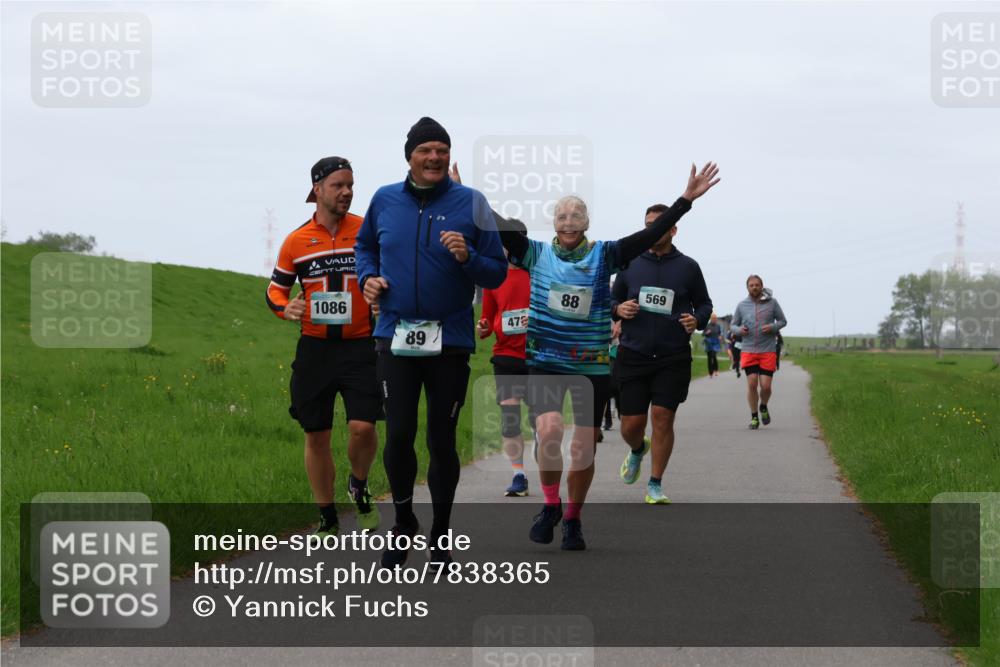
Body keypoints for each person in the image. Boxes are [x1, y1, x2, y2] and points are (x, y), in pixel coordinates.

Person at [498, 162, 720, 549]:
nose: (569, 222)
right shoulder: (533, 254)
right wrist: (462, 196)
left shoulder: (607, 255)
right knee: (549, 433)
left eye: (576, 216)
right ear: (553, 223)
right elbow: (496, 225)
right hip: (546, 362)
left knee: (583, 448)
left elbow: (650, 232)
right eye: (562, 216)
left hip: (590, 366)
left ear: (586, 223)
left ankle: (572, 519)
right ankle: (551, 505)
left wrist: (685, 200)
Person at [355, 117, 507, 568]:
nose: (435, 157)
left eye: (442, 149)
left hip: (451, 340)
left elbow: (496, 271)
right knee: (398, 433)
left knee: (441, 438)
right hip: (395, 336)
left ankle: (441, 532)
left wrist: (467, 256)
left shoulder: (472, 202)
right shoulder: (384, 200)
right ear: (410, 157)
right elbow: (366, 248)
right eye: (426, 150)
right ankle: (403, 523)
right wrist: (368, 279)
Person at [266, 156, 381, 536]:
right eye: (338, 185)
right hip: (315, 350)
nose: (347, 192)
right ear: (317, 190)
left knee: (363, 427)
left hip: (361, 347)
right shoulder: (296, 241)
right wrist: (288, 308)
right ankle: (327, 515)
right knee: (316, 434)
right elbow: (275, 292)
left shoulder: (366, 231)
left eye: (351, 185)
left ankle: (359, 485)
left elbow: (386, 275)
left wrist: (381, 294)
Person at [611, 204, 713, 504]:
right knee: (631, 425)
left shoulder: (689, 267)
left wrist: (698, 320)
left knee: (663, 417)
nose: (651, 229)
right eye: (647, 224)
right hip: (633, 353)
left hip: (672, 356)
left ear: (672, 229)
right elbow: (609, 300)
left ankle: (655, 483)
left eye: (658, 224)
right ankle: (637, 449)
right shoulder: (629, 264)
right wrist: (618, 309)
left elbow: (704, 304)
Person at [476, 218, 535, 498]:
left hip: (537, 356)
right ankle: (518, 474)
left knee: (540, 421)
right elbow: (487, 317)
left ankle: (542, 450)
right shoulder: (493, 278)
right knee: (510, 418)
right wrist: (484, 327)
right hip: (506, 356)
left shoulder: (539, 274)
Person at [730, 277, 787, 429]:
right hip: (748, 349)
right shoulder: (742, 305)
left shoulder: (772, 303)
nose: (754, 287)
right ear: (747, 288)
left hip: (767, 350)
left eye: (757, 285)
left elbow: (783, 321)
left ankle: (763, 406)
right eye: (751, 285)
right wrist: (739, 330)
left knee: (766, 386)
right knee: (752, 383)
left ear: (762, 286)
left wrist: (772, 327)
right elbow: (733, 325)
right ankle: (754, 416)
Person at [602, 320, 622, 431]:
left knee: (614, 384)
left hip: (615, 350)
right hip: (601, 352)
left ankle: (619, 409)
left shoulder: (616, 316)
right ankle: (607, 419)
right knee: (605, 384)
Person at [702, 312, 723, 377]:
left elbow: (719, 334)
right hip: (708, 343)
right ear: (711, 319)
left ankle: (716, 370)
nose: (714, 320)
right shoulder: (707, 325)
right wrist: (707, 333)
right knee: (709, 357)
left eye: (715, 318)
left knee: (714, 356)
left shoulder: (718, 326)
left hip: (715, 343)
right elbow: (703, 334)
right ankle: (710, 373)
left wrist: (720, 337)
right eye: (713, 318)